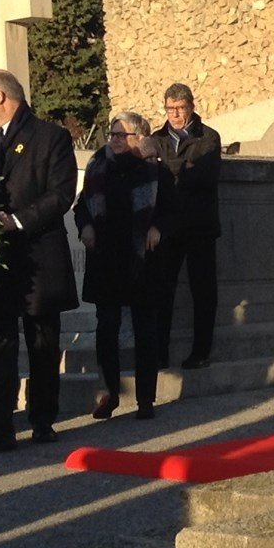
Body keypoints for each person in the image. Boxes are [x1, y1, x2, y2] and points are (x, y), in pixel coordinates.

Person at [0, 68, 77, 450]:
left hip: (37, 254)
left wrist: (18, 220)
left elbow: (61, 194)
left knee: (42, 341)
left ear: (0, 96)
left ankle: (43, 420)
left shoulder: (50, 136)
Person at [77, 112, 176, 421]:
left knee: (146, 329)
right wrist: (85, 226)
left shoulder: (155, 171)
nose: (116, 140)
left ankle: (146, 398)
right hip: (106, 257)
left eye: (123, 135)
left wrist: (158, 227)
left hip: (141, 259)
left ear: (140, 138)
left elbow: (172, 210)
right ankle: (109, 393)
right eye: (113, 134)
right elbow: (82, 205)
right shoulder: (98, 165)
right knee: (106, 327)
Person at [150, 83, 221, 368]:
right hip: (167, 225)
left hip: (200, 225)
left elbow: (203, 175)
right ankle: (159, 352)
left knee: (203, 290)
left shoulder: (208, 137)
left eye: (180, 109)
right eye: (171, 109)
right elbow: (156, 176)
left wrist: (168, 168)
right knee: (161, 290)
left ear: (191, 107)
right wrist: (179, 168)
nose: (176, 115)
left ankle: (201, 352)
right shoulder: (157, 138)